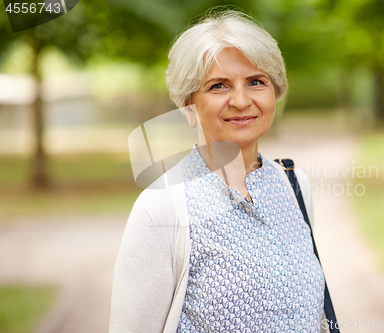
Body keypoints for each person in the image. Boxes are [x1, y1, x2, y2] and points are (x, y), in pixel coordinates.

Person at [110, 9, 330, 333]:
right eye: (218, 86)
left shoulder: (295, 186)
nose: (241, 101)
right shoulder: (161, 207)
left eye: (256, 82)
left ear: (275, 93)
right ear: (189, 106)